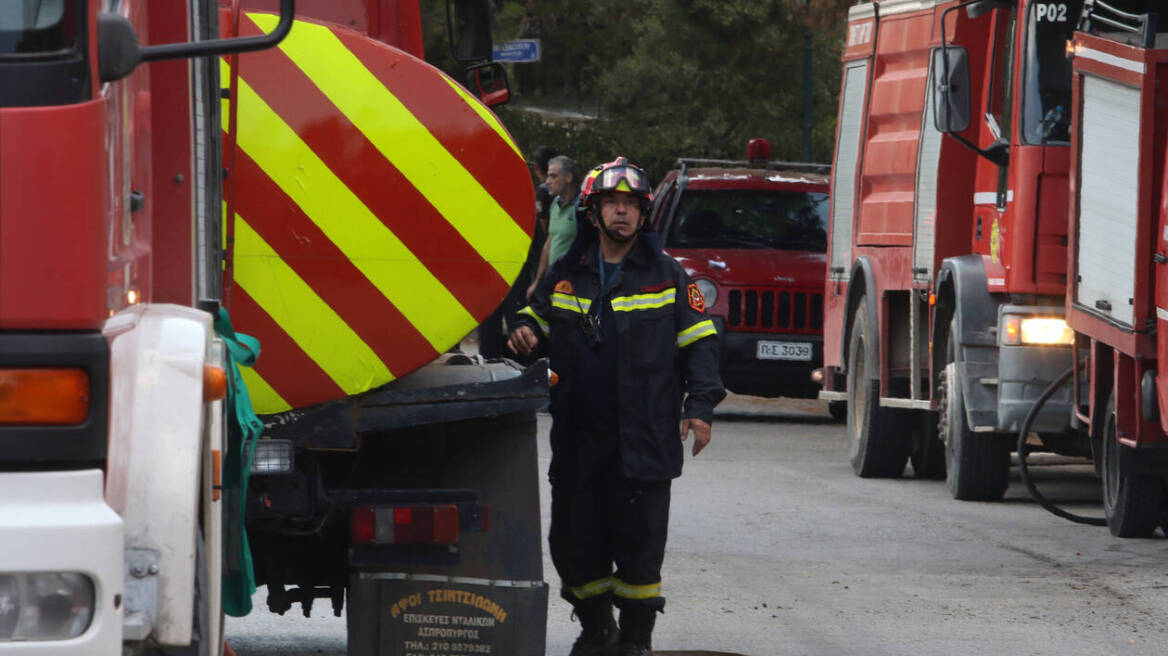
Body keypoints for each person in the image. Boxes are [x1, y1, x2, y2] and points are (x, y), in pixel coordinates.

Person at [508, 157, 725, 656]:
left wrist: (701, 407)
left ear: (644, 214)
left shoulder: (669, 276)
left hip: (644, 439)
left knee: (639, 550)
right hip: (580, 437)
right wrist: (523, 331)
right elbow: (533, 317)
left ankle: (633, 641)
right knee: (573, 543)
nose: (622, 214)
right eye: (613, 204)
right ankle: (596, 627)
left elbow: (701, 343)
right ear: (593, 212)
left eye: (631, 205)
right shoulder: (568, 273)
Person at [475, 145, 557, 359]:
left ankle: (508, 363)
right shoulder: (493, 195)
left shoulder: (522, 196)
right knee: (495, 326)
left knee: (513, 325)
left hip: (509, 270)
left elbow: (537, 239)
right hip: (499, 270)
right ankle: (497, 362)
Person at [527, 154, 581, 300]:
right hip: (553, 283)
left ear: (568, 178)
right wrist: (537, 282)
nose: (547, 181)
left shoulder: (582, 208)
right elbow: (549, 244)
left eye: (553, 176)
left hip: (575, 287)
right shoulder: (555, 204)